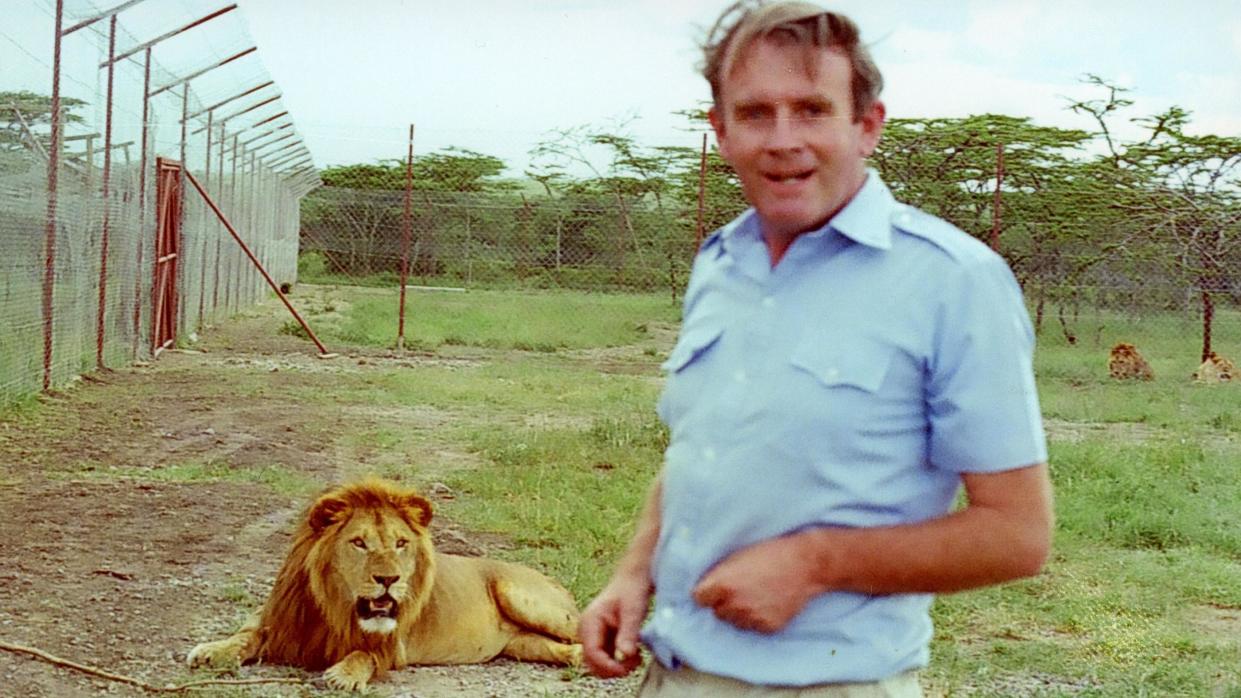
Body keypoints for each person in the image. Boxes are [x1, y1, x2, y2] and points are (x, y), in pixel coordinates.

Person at [578, 2, 1055, 696]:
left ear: (866, 126)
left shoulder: (953, 281)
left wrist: (816, 561)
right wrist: (632, 572)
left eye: (810, 109)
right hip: (672, 672)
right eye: (754, 113)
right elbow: (702, 448)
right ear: (720, 130)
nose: (781, 139)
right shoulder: (720, 263)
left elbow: (1017, 535)